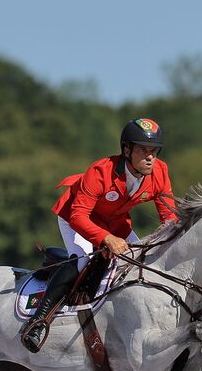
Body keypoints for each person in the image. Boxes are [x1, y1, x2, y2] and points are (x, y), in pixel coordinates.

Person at [19, 118, 178, 353]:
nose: (150, 157)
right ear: (126, 150)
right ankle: (38, 322)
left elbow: (170, 219)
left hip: (115, 221)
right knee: (82, 259)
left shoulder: (160, 172)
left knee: (143, 261)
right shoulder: (101, 171)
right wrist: (106, 239)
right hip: (77, 218)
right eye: (143, 150)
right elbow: (78, 216)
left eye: (154, 151)